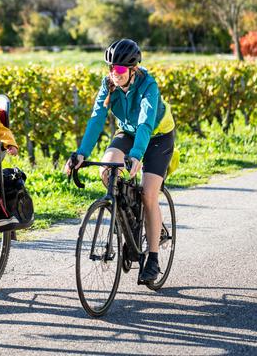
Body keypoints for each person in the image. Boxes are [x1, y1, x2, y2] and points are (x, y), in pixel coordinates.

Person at [64, 38, 176, 284]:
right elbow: (96, 119)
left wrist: (136, 156)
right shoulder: (108, 86)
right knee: (107, 169)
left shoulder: (148, 85)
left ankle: (153, 258)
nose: (115, 74)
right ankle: (129, 220)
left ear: (133, 69)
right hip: (127, 132)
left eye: (121, 69)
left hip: (158, 137)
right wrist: (81, 153)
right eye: (112, 69)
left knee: (148, 194)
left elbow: (146, 122)